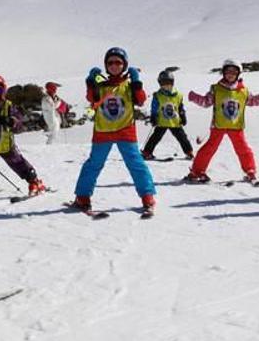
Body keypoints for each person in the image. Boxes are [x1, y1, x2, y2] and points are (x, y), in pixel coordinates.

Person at [71, 47, 157, 215]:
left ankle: (147, 196)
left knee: (136, 164)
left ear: (124, 64)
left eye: (118, 62)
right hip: (103, 131)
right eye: (110, 62)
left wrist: (137, 81)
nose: (114, 65)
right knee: (93, 164)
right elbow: (91, 98)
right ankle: (82, 197)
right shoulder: (101, 85)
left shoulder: (129, 84)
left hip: (125, 131)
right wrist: (90, 81)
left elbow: (140, 100)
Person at [185, 59, 259, 183]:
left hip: (236, 126)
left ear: (238, 74)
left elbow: (252, 101)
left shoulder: (243, 91)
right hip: (218, 125)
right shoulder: (216, 89)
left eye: (234, 72)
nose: (230, 74)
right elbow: (206, 102)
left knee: (243, 149)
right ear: (223, 72)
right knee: (209, 148)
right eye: (228, 71)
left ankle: (250, 170)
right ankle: (196, 171)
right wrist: (195, 97)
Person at [142, 69, 195, 160]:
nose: (166, 85)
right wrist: (154, 117)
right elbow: (154, 107)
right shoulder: (158, 95)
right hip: (161, 121)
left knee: (182, 138)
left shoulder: (178, 95)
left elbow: (180, 107)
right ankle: (147, 152)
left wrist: (182, 116)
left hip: (174, 122)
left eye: (168, 82)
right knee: (155, 137)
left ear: (172, 82)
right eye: (163, 83)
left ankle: (189, 152)